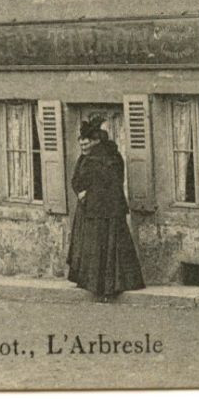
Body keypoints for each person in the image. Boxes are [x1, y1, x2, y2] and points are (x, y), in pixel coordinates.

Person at [67, 117, 146, 301]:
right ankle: (115, 283)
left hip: (96, 210)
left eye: (86, 144)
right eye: (82, 145)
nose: (84, 148)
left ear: (96, 141)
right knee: (111, 246)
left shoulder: (92, 160)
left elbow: (79, 180)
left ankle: (98, 284)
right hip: (111, 209)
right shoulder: (113, 156)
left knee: (98, 247)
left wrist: (83, 192)